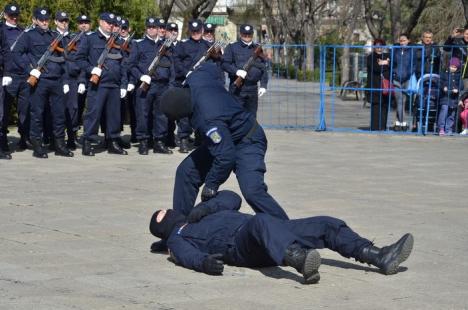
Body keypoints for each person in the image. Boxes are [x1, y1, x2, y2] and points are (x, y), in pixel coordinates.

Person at [148, 190, 414, 284]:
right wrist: (204, 264)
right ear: (165, 229)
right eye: (163, 216)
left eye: (166, 210)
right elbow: (185, 256)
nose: (168, 212)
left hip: (265, 231)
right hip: (241, 247)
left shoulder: (199, 214)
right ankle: (299, 259)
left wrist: (205, 207)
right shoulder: (177, 237)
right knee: (261, 221)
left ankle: (378, 255)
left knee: (324, 224)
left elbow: (232, 198)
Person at [13, 7, 73, 158]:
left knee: (59, 115)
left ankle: (59, 144)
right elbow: (16, 53)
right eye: (41, 20)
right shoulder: (28, 36)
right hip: (39, 81)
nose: (45, 22)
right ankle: (37, 144)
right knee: (37, 114)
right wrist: (30, 69)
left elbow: (63, 60)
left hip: (56, 80)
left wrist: (65, 80)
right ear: (35, 20)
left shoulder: (54, 35)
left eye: (46, 20)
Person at [75, 12, 129, 156]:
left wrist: (123, 84)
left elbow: (123, 64)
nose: (110, 26)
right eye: (107, 23)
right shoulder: (90, 39)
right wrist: (91, 69)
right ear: (100, 22)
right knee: (93, 114)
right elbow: (79, 59)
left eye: (112, 24)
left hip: (114, 84)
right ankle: (87, 141)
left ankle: (112, 142)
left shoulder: (116, 41)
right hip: (98, 84)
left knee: (114, 116)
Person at [128, 17, 174, 155]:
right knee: (143, 114)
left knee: (161, 115)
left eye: (155, 27)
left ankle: (159, 142)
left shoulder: (166, 45)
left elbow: (171, 66)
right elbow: (130, 65)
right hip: (146, 85)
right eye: (149, 27)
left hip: (162, 86)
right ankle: (143, 141)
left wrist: (171, 84)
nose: (152, 29)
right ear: (146, 29)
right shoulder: (138, 44)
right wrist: (141, 76)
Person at [173, 19, 211, 153]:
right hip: (186, 83)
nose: (196, 33)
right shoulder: (183, 45)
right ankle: (183, 138)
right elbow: (176, 61)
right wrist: (185, 72)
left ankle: (200, 138)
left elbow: (213, 64)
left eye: (198, 31)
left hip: (202, 85)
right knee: (185, 113)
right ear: (190, 31)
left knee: (201, 112)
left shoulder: (208, 46)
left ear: (202, 31)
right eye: (193, 31)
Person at [222, 24, 268, 118]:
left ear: (252, 34)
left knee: (251, 117)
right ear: (240, 34)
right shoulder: (232, 47)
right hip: (237, 89)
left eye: (249, 34)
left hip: (252, 89)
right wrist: (236, 71)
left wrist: (263, 85)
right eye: (244, 34)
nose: (247, 37)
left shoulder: (258, 49)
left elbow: (263, 68)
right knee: (236, 117)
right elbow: (224, 64)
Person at [392, 33, 416, 130]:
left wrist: (409, 74)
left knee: (404, 101)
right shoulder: (396, 50)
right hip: (397, 79)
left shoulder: (411, 51)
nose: (402, 43)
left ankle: (400, 122)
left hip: (407, 79)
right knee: (399, 101)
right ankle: (401, 122)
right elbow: (393, 63)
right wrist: (394, 73)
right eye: (401, 41)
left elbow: (413, 64)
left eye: (404, 41)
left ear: (408, 41)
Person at [366, 38, 391, 131]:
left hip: (385, 84)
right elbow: (376, 68)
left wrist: (383, 63)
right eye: (377, 46)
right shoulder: (371, 57)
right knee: (376, 106)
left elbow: (391, 66)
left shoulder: (388, 55)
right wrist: (385, 63)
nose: (379, 48)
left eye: (381, 46)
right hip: (374, 84)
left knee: (384, 105)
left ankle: (383, 126)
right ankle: (375, 126)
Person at [438, 57, 463, 136]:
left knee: (452, 114)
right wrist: (444, 87)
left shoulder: (458, 76)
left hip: (454, 98)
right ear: (449, 66)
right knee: (444, 110)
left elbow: (461, 85)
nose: (453, 68)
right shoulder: (444, 74)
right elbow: (440, 83)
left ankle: (448, 128)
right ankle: (441, 128)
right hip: (445, 97)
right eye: (452, 66)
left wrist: (457, 89)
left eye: (455, 67)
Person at [444, 25, 468, 90]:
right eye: (466, 34)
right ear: (463, 34)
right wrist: (452, 37)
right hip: (457, 74)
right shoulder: (457, 41)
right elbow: (446, 48)